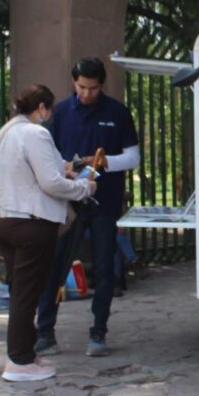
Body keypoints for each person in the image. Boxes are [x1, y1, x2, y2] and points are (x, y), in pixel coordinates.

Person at [35, 56, 140, 357]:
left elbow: (133, 157)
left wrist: (106, 162)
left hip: (104, 202)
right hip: (66, 202)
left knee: (105, 268)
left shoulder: (117, 113)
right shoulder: (61, 112)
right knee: (54, 265)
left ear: (101, 85)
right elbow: (48, 155)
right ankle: (45, 332)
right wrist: (66, 168)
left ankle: (98, 332)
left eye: (92, 88)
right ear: (73, 83)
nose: (86, 94)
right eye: (81, 87)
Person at [0, 85, 95, 382]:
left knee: (20, 291)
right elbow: (50, 182)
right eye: (48, 109)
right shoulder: (36, 133)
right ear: (41, 108)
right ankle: (19, 360)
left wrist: (65, 170)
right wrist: (83, 188)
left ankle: (22, 351)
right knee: (27, 292)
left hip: (5, 218)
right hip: (31, 223)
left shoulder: (8, 131)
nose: (49, 116)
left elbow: (26, 169)